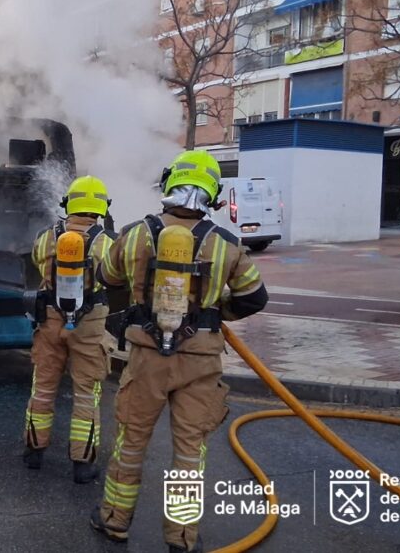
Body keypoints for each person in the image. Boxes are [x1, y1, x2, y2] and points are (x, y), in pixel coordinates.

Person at [89, 150, 268, 552]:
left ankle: (115, 522)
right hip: (201, 361)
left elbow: (106, 277)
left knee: (131, 442)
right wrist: (214, 312)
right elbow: (255, 298)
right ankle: (182, 539)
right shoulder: (227, 244)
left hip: (145, 357)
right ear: (213, 193)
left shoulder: (134, 233)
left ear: (171, 184)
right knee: (190, 451)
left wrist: (138, 295)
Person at [24, 175, 117, 484]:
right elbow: (116, 277)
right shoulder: (106, 242)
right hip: (89, 327)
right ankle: (82, 465)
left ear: (69, 204)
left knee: (44, 387)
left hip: (50, 320)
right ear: (101, 207)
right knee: (86, 394)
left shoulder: (46, 237)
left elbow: (38, 262)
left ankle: (34, 452)